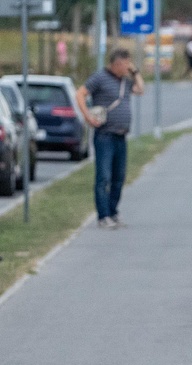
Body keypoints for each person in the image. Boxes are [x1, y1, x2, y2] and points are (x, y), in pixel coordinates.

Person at [76, 48, 145, 230]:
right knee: (104, 176)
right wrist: (87, 116)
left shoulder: (125, 81)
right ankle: (103, 215)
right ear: (117, 63)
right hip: (105, 135)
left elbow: (140, 89)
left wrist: (135, 72)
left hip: (121, 135)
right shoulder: (100, 78)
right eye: (126, 64)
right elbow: (80, 93)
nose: (128, 68)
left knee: (118, 177)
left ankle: (113, 212)